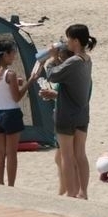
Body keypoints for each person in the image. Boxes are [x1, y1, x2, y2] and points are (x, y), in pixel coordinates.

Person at [44, 24, 96, 199]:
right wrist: (59, 60)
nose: (66, 42)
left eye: (68, 39)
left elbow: (52, 75)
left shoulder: (73, 61)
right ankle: (84, 192)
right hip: (82, 114)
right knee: (80, 154)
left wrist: (51, 59)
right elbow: (68, 75)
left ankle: (72, 192)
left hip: (66, 114)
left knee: (66, 155)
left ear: (75, 41)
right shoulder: (86, 60)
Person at [0, 39, 36, 186]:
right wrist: (30, 82)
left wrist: (17, 82)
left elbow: (3, 86)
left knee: (0, 152)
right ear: (5, 54)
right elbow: (17, 97)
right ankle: (11, 186)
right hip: (11, 114)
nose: (14, 56)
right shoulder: (10, 74)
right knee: (12, 153)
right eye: (13, 53)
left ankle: (0, 184)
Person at [38, 43, 75, 195]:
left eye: (61, 56)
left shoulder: (71, 71)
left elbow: (75, 97)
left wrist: (53, 58)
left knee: (66, 157)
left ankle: (69, 190)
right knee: (60, 157)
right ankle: (63, 189)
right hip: (62, 114)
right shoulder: (73, 70)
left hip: (67, 117)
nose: (59, 59)